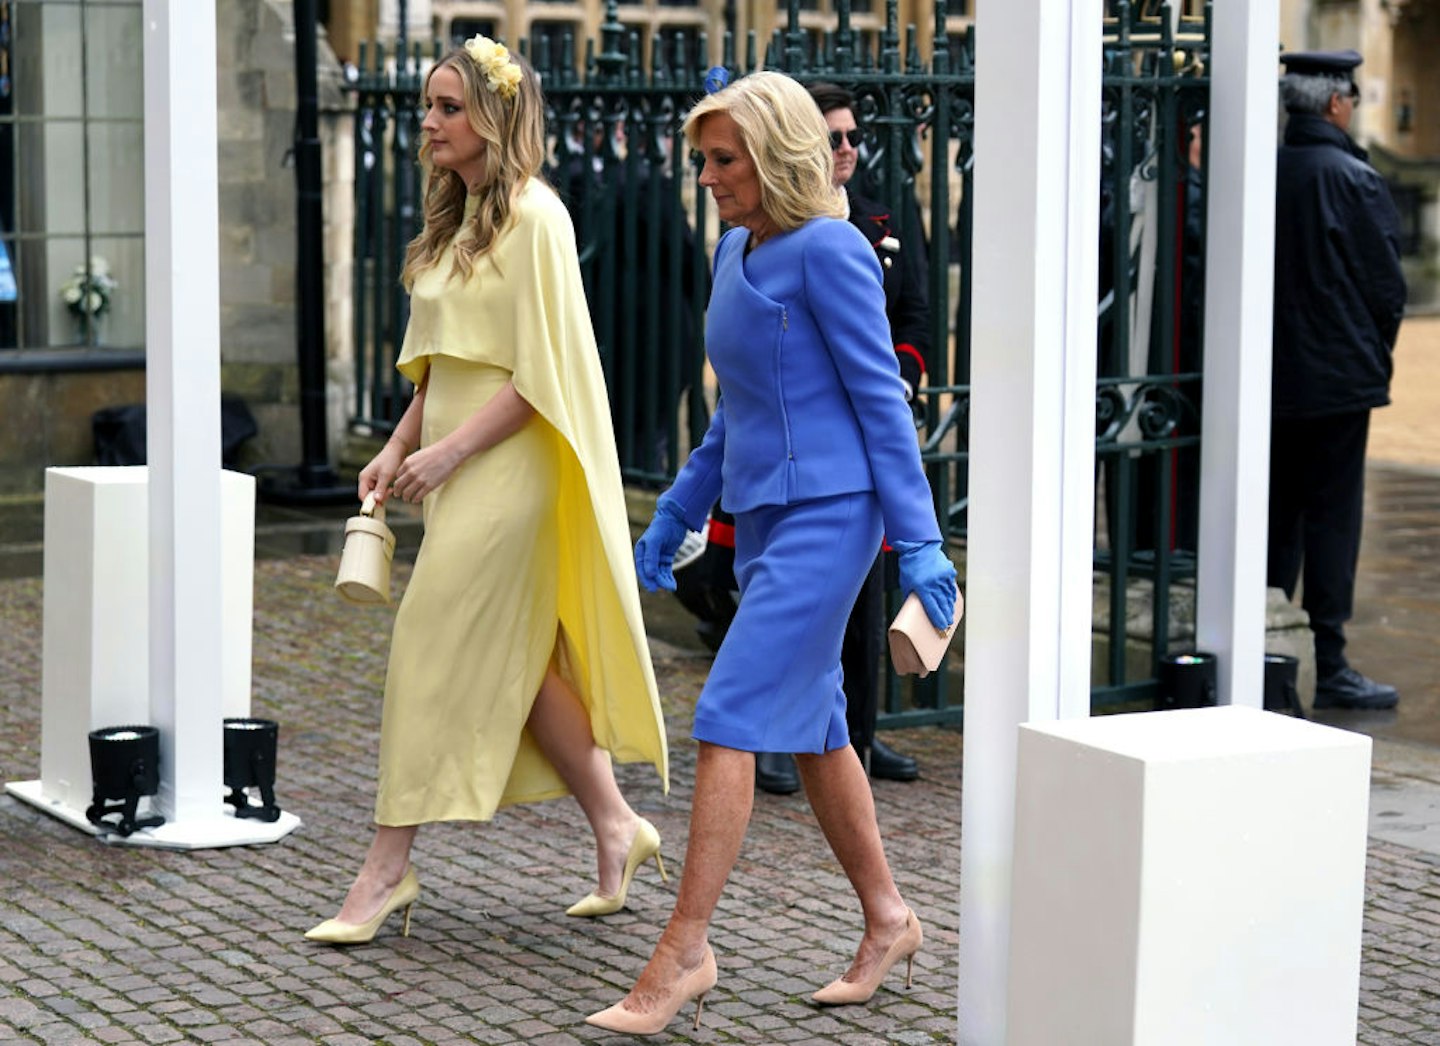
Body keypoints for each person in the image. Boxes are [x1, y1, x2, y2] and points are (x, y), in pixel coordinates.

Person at [585, 71, 957, 1036]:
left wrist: (919, 544)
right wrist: (676, 515)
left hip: (836, 518)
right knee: (820, 729)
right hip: (762, 521)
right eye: (702, 159)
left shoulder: (831, 249)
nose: (707, 175)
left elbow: (883, 401)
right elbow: (732, 414)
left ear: (775, 154)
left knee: (729, 712)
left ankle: (685, 951)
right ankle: (889, 920)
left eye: (725, 159)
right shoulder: (731, 251)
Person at [304, 37, 668, 945]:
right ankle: (618, 828)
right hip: (460, 459)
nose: (429, 122)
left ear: (496, 118)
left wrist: (450, 455)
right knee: (530, 666)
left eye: (449, 108)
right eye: (428, 106)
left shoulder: (538, 218)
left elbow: (540, 374)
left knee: (426, 641)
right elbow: (443, 371)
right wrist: (397, 449)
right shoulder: (454, 220)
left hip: (514, 468)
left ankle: (386, 869)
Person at [754, 81, 931, 795]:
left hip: (870, 434)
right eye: (834, 138)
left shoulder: (882, 216)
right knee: (785, 599)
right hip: (802, 442)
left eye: (854, 137)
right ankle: (774, 735)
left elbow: (915, 310)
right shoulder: (766, 232)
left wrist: (905, 381)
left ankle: (857, 732)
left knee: (864, 600)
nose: (849, 149)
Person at [1269, 49, 1407, 711]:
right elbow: (1386, 289)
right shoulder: (1353, 177)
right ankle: (1331, 662)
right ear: (1334, 103)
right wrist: (1372, 355)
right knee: (1331, 520)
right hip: (1336, 380)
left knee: (1276, 518)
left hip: (1272, 377)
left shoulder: (1266, 171)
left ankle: (1268, 655)